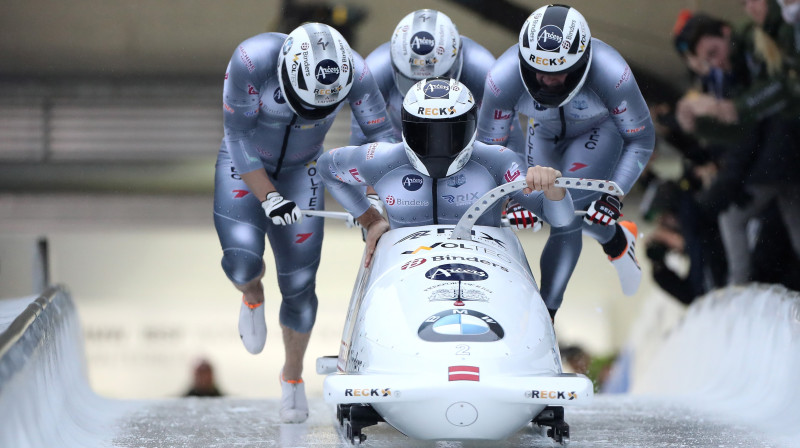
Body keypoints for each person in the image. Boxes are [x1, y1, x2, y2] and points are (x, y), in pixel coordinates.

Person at [214, 22, 394, 423]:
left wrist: (377, 204)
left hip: (303, 169)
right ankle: (252, 293)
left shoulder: (358, 73)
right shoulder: (251, 59)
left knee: (298, 286)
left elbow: (381, 137)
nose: (312, 112)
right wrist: (269, 196)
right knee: (242, 261)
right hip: (243, 167)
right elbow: (237, 136)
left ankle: (292, 377)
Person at [476, 5, 655, 319]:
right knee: (555, 210)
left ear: (583, 63)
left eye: (559, 70)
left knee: (566, 216)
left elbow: (640, 138)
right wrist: (510, 196)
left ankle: (547, 315)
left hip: (599, 131)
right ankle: (616, 239)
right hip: (542, 132)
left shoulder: (612, 73)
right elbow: (491, 148)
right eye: (537, 70)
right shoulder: (502, 78)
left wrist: (614, 193)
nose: (546, 80)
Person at [319, 77, 576, 270]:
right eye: (426, 134)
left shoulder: (497, 161)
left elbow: (561, 218)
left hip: (483, 272)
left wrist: (553, 188)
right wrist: (370, 219)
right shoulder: (381, 160)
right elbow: (327, 167)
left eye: (449, 135)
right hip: (404, 273)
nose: (437, 147)